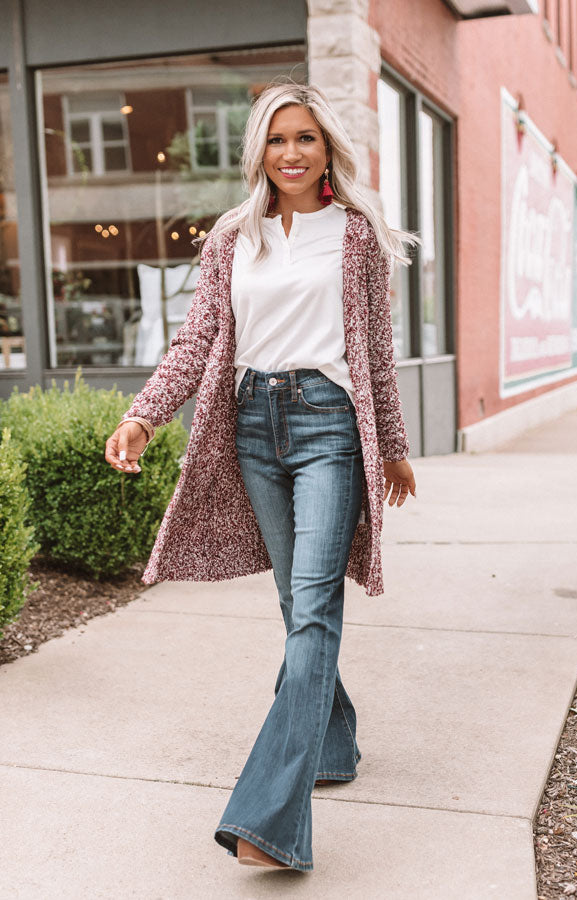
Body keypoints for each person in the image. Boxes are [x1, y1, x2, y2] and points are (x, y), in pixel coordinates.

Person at [105, 81, 420, 873]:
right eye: (278, 139)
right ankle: (334, 742)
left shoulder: (354, 235)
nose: (291, 152)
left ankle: (269, 818)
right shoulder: (230, 237)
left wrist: (393, 446)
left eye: (306, 138)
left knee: (314, 606)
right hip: (251, 423)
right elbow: (199, 337)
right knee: (296, 602)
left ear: (327, 150)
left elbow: (376, 350)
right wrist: (145, 414)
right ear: (259, 149)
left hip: (328, 426)